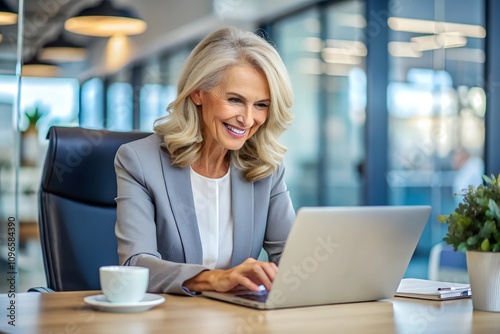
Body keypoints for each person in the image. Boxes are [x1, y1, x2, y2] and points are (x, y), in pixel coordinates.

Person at [114, 26, 295, 295]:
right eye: (235, 100)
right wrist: (213, 279)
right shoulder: (139, 161)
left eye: (261, 105)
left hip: (238, 319)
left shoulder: (265, 167)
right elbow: (135, 266)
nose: (247, 119)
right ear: (198, 92)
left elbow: (294, 259)